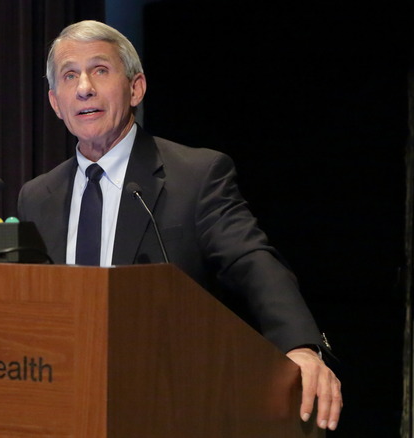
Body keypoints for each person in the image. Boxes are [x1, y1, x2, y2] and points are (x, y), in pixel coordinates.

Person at [17, 20, 342, 430]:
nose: (84, 87)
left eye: (100, 70)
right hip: (63, 404)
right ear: (54, 101)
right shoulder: (36, 196)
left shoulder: (196, 174)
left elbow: (251, 259)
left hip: (167, 402)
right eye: (69, 76)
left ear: (136, 88)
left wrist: (300, 345)